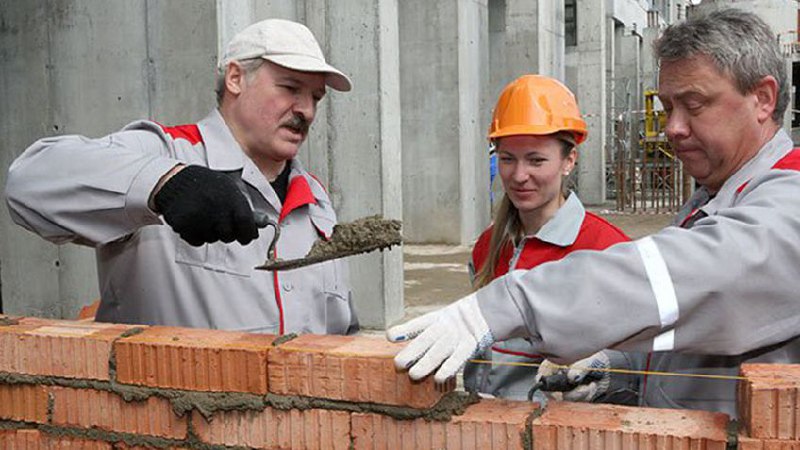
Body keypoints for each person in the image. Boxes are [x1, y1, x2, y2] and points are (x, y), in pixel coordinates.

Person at [388, 8, 800, 417]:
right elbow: (692, 339)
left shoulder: (789, 199)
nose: (673, 127)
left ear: (762, 99)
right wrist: (618, 372)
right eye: (667, 107)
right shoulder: (713, 200)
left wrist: (509, 303)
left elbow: (697, 276)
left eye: (694, 104)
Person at [6, 19, 359, 336]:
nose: (307, 111)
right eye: (291, 88)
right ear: (235, 78)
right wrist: (166, 184)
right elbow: (29, 181)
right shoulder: (165, 153)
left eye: (315, 97)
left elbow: (339, 327)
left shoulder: (314, 199)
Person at [463, 74, 634, 402]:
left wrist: (608, 372)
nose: (518, 175)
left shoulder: (607, 249)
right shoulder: (488, 246)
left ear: (569, 160)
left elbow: (639, 361)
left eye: (536, 160)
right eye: (507, 158)